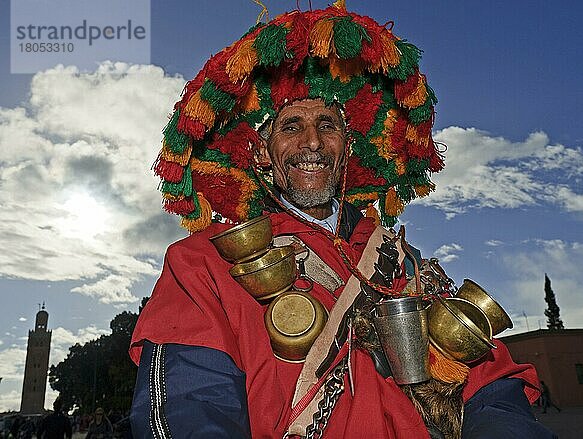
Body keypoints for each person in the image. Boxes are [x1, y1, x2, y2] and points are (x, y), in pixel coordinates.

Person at [129, 3, 556, 438]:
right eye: (291, 126)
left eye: (327, 125)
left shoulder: (404, 261)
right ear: (262, 153)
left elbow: (489, 381)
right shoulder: (204, 263)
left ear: (347, 147)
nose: (312, 141)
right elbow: (189, 408)